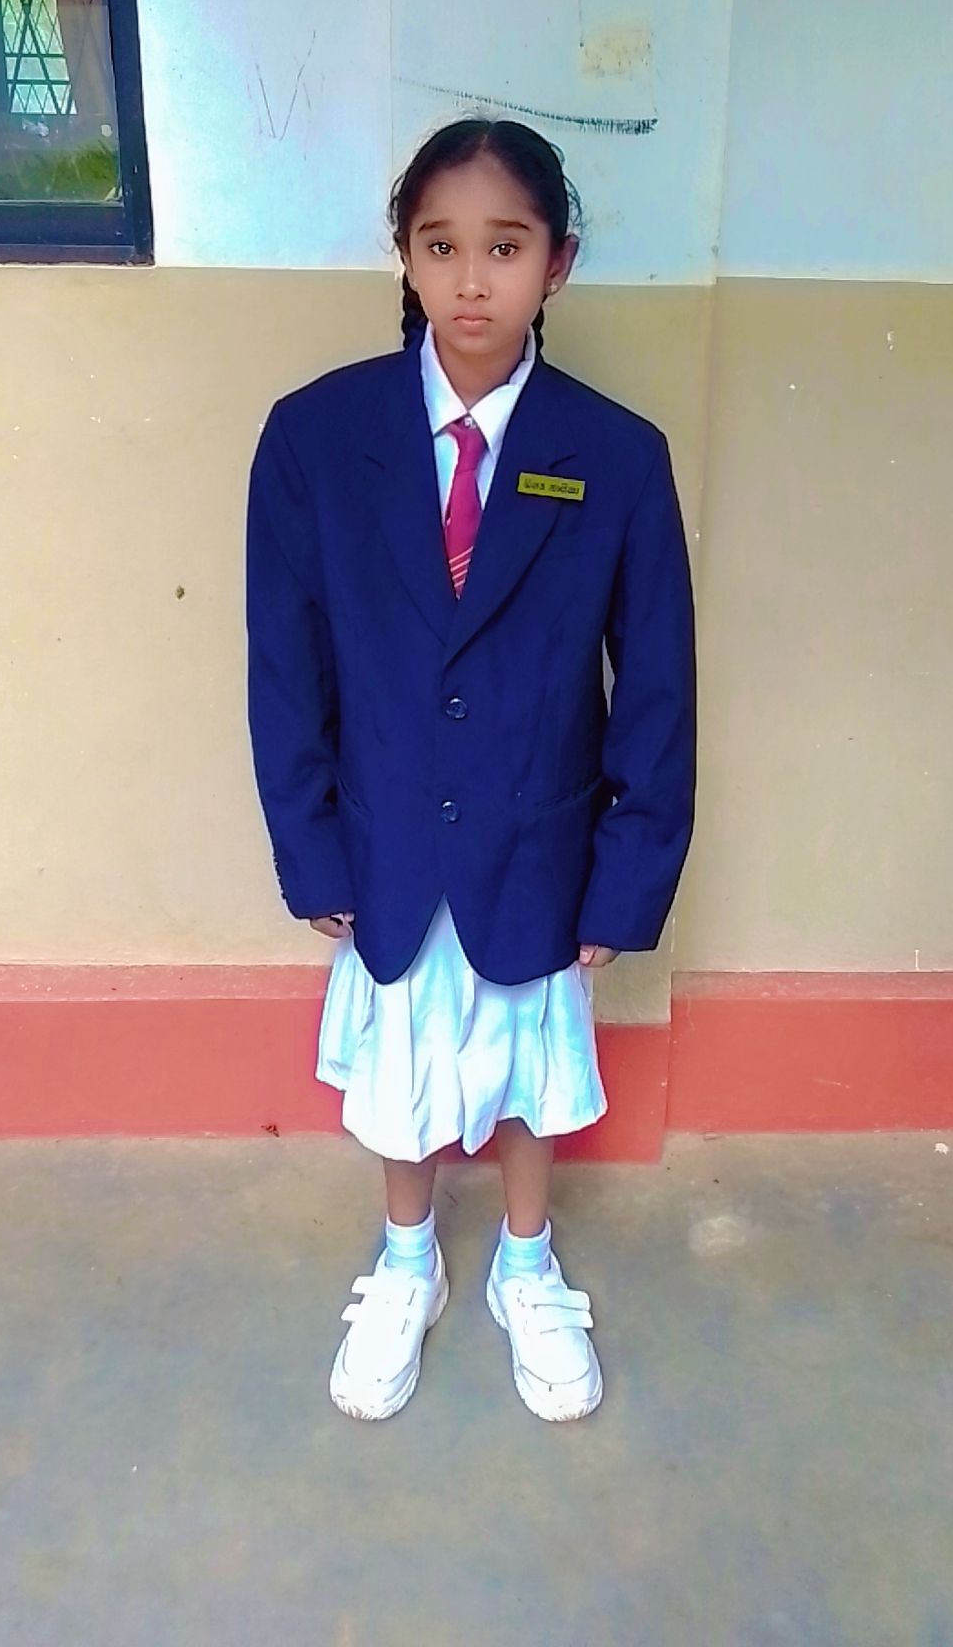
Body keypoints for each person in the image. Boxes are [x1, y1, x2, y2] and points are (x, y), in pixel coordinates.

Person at [246, 117, 696, 1423]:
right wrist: (312, 848)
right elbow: (287, 666)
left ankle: (524, 1262)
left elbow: (656, 687)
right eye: (440, 247)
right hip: (383, 833)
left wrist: (624, 878)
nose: (471, 281)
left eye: (505, 248)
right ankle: (407, 1261)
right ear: (404, 255)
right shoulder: (316, 439)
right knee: (402, 1069)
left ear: (558, 263)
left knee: (525, 1068)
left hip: (540, 844)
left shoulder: (617, 456)